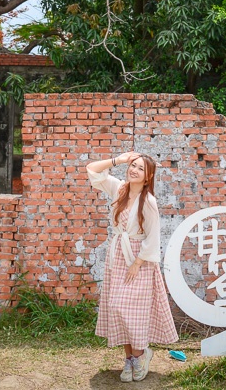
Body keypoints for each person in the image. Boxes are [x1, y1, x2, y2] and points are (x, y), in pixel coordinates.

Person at [86, 151, 177, 382]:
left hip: (139, 260)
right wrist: (119, 159)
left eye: (140, 168)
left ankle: (139, 356)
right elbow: (93, 170)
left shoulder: (148, 201)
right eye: (133, 165)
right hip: (118, 254)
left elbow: (153, 236)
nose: (134, 170)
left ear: (148, 177)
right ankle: (131, 358)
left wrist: (137, 262)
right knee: (118, 308)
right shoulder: (119, 188)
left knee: (132, 311)